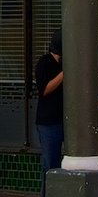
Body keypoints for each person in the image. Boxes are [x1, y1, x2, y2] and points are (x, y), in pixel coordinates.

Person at [35, 34, 66, 179]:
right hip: (49, 122)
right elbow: (45, 90)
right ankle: (47, 192)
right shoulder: (44, 62)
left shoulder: (63, 62)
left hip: (64, 119)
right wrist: (63, 74)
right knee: (50, 162)